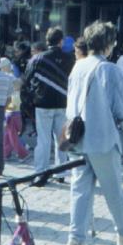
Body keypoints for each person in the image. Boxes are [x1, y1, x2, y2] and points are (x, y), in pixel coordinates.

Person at [65, 21, 123, 245]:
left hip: (77, 138)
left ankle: (76, 237)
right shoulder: (108, 69)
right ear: (108, 44)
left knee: (80, 189)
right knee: (113, 189)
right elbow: (121, 107)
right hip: (102, 137)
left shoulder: (78, 67)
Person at [23, 27, 75, 176]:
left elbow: (26, 81)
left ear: (47, 41)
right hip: (63, 103)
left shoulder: (37, 59)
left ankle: (41, 171)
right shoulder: (70, 59)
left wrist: (28, 102)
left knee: (43, 139)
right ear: (61, 41)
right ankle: (61, 172)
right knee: (62, 138)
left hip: (42, 104)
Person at [0, 57, 29, 161]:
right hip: (14, 109)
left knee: (12, 135)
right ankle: (5, 153)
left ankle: (23, 153)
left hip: (10, 110)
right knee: (8, 133)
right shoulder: (11, 76)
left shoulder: (6, 77)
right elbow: (20, 84)